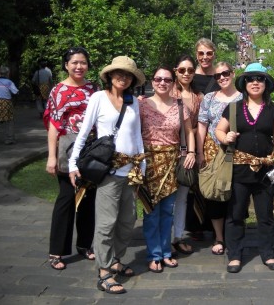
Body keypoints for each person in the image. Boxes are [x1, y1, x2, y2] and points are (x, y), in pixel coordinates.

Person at [69, 56, 146, 295]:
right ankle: (104, 271)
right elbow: (84, 132)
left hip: (130, 170)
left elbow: (137, 135)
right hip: (109, 171)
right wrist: (73, 163)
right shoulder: (98, 98)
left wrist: (141, 165)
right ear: (110, 76)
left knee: (128, 221)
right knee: (106, 222)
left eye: (127, 74)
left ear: (132, 79)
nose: (122, 77)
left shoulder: (133, 101)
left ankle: (115, 258)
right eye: (118, 73)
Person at [215, 63, 274, 273]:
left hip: (265, 170)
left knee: (265, 214)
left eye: (260, 79)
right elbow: (219, 131)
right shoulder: (233, 108)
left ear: (266, 83)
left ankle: (268, 253)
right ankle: (235, 254)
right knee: (236, 213)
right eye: (250, 79)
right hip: (239, 169)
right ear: (244, 83)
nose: (255, 83)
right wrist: (226, 136)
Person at [44, 47, 97, 270]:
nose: (79, 67)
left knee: (88, 199)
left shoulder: (94, 88)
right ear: (66, 65)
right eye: (74, 62)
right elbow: (54, 126)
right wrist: (51, 157)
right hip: (67, 147)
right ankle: (57, 250)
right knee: (66, 199)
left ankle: (85, 244)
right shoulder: (58, 90)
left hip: (92, 149)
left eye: (83, 62)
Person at [140, 66, 196, 273]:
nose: (162, 83)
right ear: (152, 81)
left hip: (172, 162)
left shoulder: (181, 106)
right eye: (158, 79)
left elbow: (189, 131)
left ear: (173, 83)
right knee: (151, 211)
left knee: (167, 211)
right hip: (149, 163)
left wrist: (190, 152)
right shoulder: (142, 106)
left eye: (167, 80)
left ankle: (165, 251)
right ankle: (154, 254)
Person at [197, 62, 242, 256]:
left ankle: (233, 235)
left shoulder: (243, 97)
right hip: (213, 150)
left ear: (233, 74)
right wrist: (198, 152)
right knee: (215, 194)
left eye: (225, 73)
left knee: (235, 194)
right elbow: (202, 125)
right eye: (217, 76)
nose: (222, 78)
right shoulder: (209, 98)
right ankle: (219, 237)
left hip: (236, 151)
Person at [184, 38, 221, 241]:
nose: (205, 57)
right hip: (192, 135)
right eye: (201, 53)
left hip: (216, 137)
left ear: (214, 54)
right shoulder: (189, 75)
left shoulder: (221, 76)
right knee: (194, 182)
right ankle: (195, 225)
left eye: (208, 53)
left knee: (215, 179)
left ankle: (215, 226)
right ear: (196, 54)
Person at [170, 54, 201, 255]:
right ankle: (166, 236)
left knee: (182, 195)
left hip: (188, 149)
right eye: (182, 70)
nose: (186, 73)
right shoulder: (169, 92)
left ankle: (178, 235)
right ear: (175, 71)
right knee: (166, 196)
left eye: (190, 70)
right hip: (167, 147)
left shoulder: (199, 96)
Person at [0, 66, 19, 145]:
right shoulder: (9, 82)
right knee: (9, 121)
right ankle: (9, 139)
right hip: (6, 103)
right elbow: (15, 92)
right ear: (7, 74)